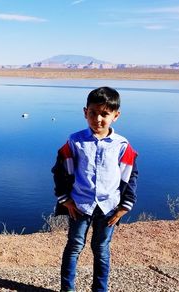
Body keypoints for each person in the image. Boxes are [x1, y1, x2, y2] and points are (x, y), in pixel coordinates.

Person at [52, 86, 138, 292]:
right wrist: (66, 200)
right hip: (80, 205)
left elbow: (130, 175)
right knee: (74, 246)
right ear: (85, 112)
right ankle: (67, 289)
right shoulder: (74, 141)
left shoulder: (122, 145)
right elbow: (60, 171)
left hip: (109, 207)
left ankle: (100, 289)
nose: (97, 119)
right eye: (92, 113)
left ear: (116, 116)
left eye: (104, 114)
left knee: (101, 249)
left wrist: (125, 206)